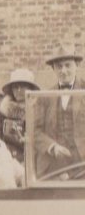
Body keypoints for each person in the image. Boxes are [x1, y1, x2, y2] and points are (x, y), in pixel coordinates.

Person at [34, 42, 85, 177]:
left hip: (82, 163)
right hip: (55, 166)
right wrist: (52, 147)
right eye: (59, 66)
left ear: (77, 65)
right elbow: (34, 130)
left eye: (68, 65)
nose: (63, 71)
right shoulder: (44, 97)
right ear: (54, 69)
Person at [0, 68, 40, 163]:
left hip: (33, 158)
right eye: (15, 87)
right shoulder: (3, 111)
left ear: (30, 89)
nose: (18, 90)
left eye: (23, 87)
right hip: (7, 158)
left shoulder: (39, 110)